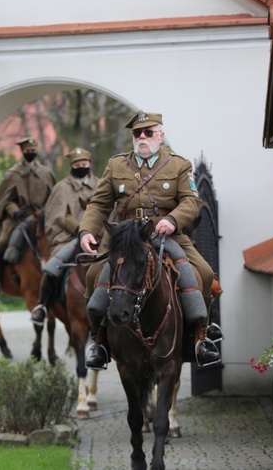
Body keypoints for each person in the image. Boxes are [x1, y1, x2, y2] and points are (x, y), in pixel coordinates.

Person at [78, 110, 220, 370]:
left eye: (148, 132)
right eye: (137, 133)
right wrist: (86, 231)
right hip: (127, 235)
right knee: (92, 276)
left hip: (167, 231)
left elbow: (192, 200)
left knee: (204, 273)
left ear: (161, 135)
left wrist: (174, 220)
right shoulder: (116, 165)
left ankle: (201, 338)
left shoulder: (178, 164)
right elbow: (98, 203)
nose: (142, 137)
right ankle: (99, 342)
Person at [0, 137, 55, 296]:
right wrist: (15, 210)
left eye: (33, 151)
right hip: (18, 218)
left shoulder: (46, 173)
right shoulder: (13, 174)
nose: (31, 153)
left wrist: (46, 213)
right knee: (2, 242)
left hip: (42, 218)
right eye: (28, 151)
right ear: (22, 152)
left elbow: (54, 197)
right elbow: (5, 200)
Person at [31, 147, 99, 326]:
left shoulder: (101, 185)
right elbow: (57, 215)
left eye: (83, 164)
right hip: (68, 237)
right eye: (77, 164)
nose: (80, 167)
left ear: (89, 165)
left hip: (99, 236)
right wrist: (80, 229)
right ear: (71, 166)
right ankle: (42, 305)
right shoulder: (61, 188)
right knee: (54, 266)